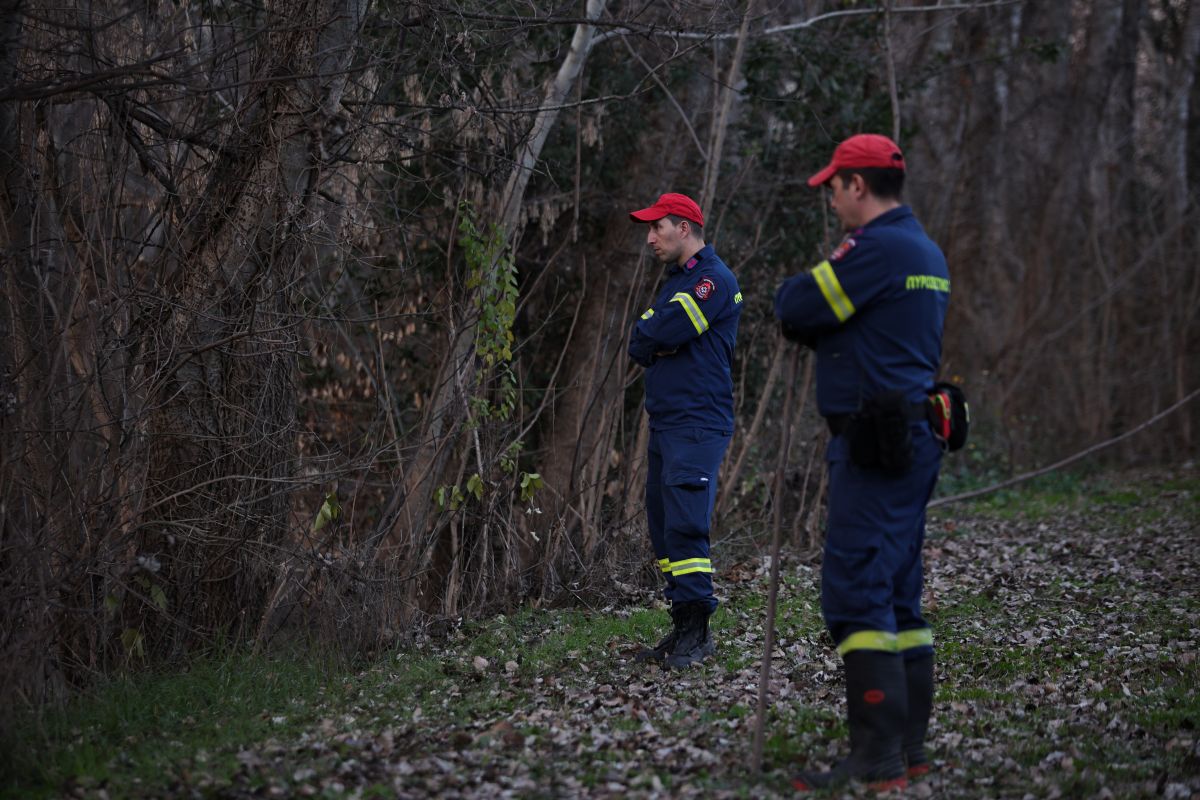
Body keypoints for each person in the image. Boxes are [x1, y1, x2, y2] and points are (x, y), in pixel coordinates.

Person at [773, 134, 949, 791]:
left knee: (857, 592)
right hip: (910, 438)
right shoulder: (925, 249)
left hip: (874, 446)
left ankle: (875, 760)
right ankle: (908, 752)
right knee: (899, 592)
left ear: (857, 185)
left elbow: (797, 304)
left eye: (834, 187)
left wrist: (812, 320)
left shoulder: (878, 249)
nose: (830, 198)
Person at [626, 192, 743, 669]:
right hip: (668, 421)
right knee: (664, 527)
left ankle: (699, 631)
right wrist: (653, 330)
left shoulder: (712, 280)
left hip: (697, 422)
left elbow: (656, 333)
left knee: (686, 526)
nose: (651, 237)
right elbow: (642, 339)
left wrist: (655, 330)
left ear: (686, 228)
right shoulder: (679, 280)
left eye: (658, 227)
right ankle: (681, 625)